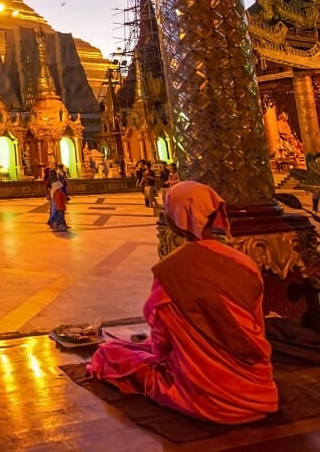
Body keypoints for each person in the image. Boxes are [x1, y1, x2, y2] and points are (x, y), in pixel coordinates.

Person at [87, 181, 278, 425]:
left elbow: (161, 345)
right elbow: (255, 326)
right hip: (259, 389)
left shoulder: (171, 270)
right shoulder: (244, 264)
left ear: (175, 220)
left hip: (205, 396)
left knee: (109, 354)